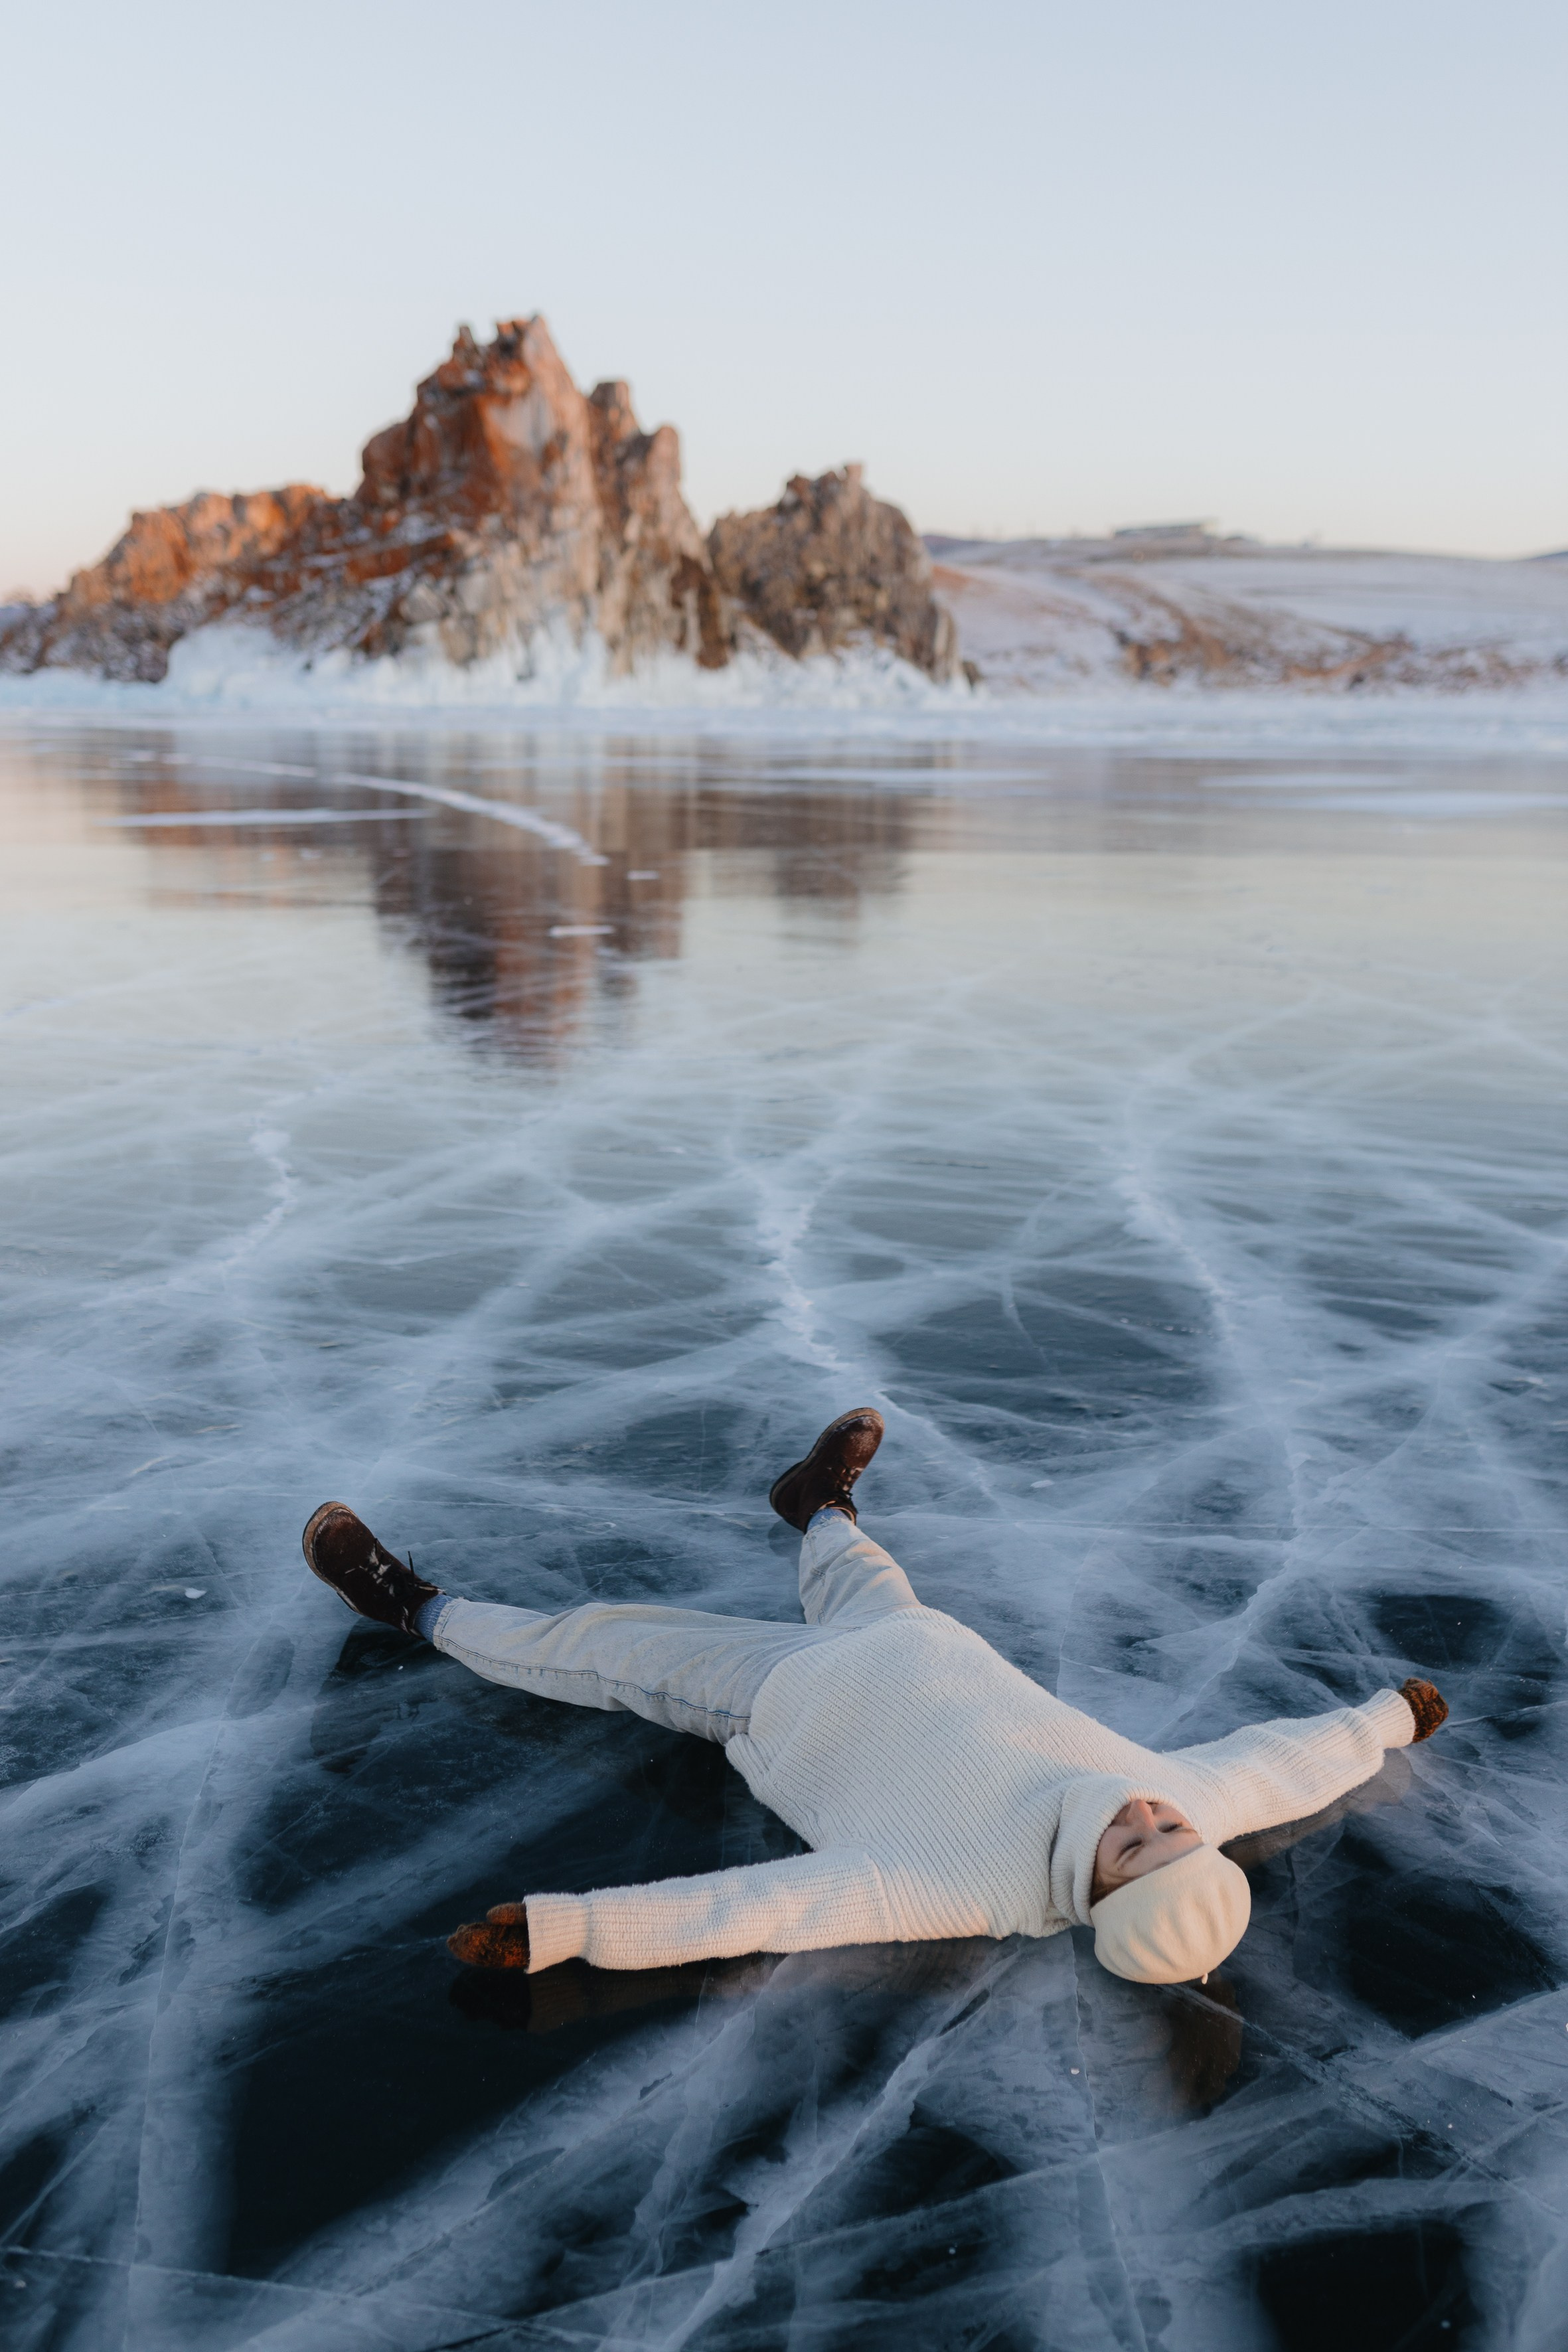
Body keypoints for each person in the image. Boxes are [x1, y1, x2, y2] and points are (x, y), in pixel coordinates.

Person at [301, 1409, 1447, 1987]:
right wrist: (1391, 1717)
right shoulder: (1186, 1795)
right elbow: (1292, 1762)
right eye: (1167, 1829)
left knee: (590, 1645)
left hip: (771, 1698)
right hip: (902, 1633)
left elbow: (760, 1911)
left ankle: (411, 1606)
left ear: (1102, 1893)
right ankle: (816, 1502)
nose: (1144, 1818)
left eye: (1135, 1849)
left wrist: (570, 1928)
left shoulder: (961, 1888)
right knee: (856, 1565)